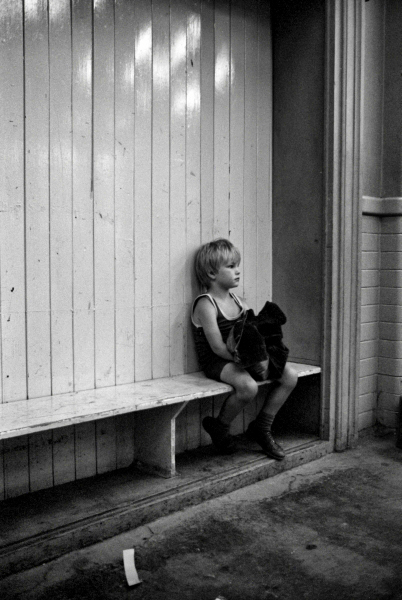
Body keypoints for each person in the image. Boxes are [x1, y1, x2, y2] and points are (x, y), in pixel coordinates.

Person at [191, 238, 298, 460]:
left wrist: (265, 355)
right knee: (248, 387)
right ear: (212, 273)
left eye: (237, 265)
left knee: (289, 375)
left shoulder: (239, 301)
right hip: (217, 361)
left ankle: (262, 426)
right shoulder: (205, 303)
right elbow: (218, 347)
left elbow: (254, 335)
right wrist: (250, 361)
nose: (237, 271)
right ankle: (220, 426)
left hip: (241, 358)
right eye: (231, 267)